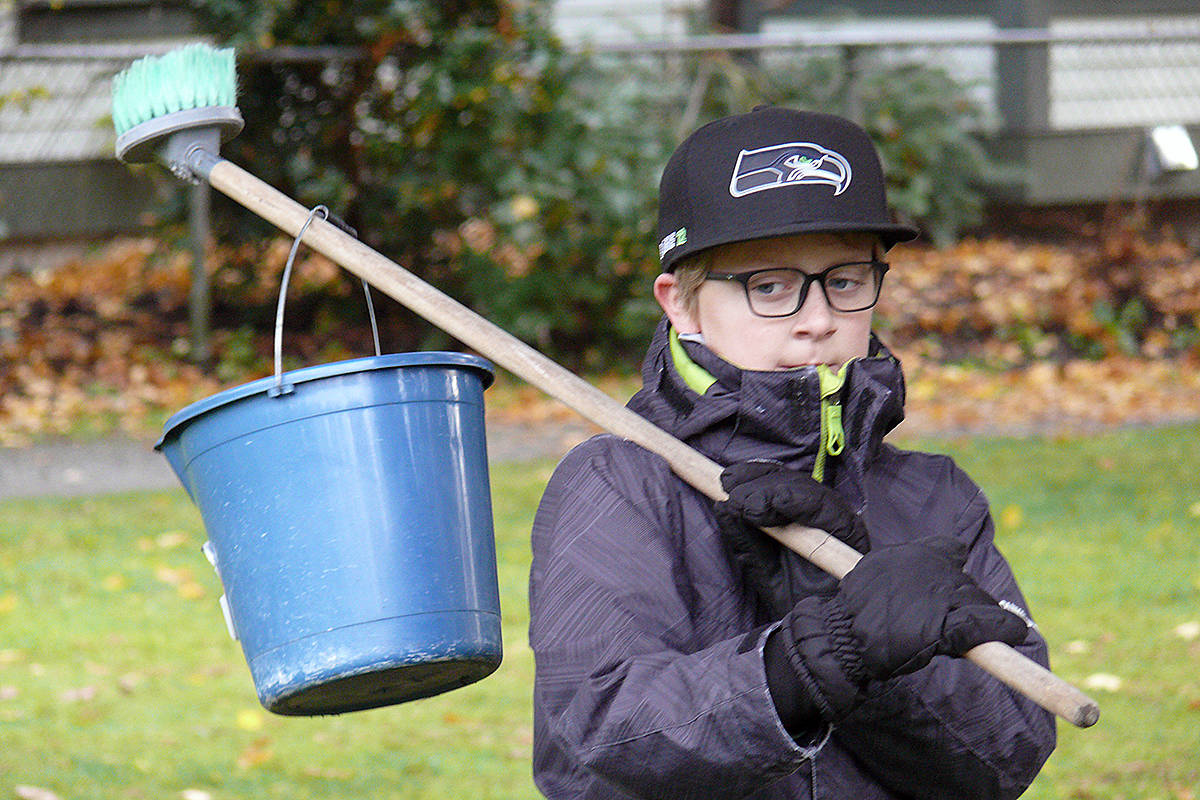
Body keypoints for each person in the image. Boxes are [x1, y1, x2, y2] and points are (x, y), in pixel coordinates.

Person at [528, 106, 1056, 799]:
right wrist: (809, 660)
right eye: (768, 285)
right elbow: (603, 731)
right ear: (680, 304)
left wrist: (873, 657)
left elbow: (1005, 755)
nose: (818, 319)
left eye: (844, 279)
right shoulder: (620, 485)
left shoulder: (938, 500)